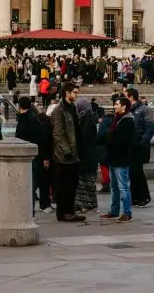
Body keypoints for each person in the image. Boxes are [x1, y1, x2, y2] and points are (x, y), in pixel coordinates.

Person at [50, 82, 84, 222]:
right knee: (65, 185)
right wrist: (67, 151)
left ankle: (69, 211)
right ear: (66, 93)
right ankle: (64, 213)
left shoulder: (72, 108)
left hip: (73, 153)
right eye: (74, 92)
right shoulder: (59, 110)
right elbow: (58, 133)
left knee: (72, 184)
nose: (77, 95)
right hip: (64, 156)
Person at [101, 96, 134, 222]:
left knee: (123, 187)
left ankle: (127, 212)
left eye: (117, 104)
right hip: (113, 157)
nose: (114, 106)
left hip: (121, 158)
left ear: (124, 106)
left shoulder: (127, 121)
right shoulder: (117, 119)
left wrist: (108, 140)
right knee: (114, 187)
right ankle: (115, 210)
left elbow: (122, 140)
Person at [127, 88, 154, 208]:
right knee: (132, 172)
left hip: (139, 146)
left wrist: (142, 142)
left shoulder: (144, 109)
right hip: (130, 146)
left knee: (137, 171)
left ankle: (144, 196)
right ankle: (135, 197)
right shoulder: (128, 110)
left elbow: (150, 128)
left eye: (125, 96)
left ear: (131, 97)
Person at [74, 97, 100, 214]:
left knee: (88, 183)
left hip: (88, 156)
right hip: (86, 155)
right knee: (82, 183)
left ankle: (91, 205)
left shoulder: (88, 121)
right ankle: (81, 204)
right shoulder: (84, 118)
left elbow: (84, 139)